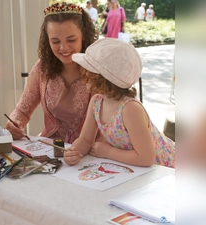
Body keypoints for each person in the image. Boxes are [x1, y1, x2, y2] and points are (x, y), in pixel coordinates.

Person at [64, 38, 175, 168]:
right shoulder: (96, 102)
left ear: (102, 79)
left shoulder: (130, 109)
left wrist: (108, 152)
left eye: (87, 75)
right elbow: (86, 139)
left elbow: (146, 158)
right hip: (136, 168)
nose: (83, 79)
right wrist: (74, 151)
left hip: (169, 170)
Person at [5, 2, 98, 144]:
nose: (63, 48)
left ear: (84, 34)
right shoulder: (43, 68)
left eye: (71, 40)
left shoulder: (98, 69)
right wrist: (14, 123)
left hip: (93, 150)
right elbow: (23, 111)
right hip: (51, 147)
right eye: (55, 41)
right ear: (47, 39)